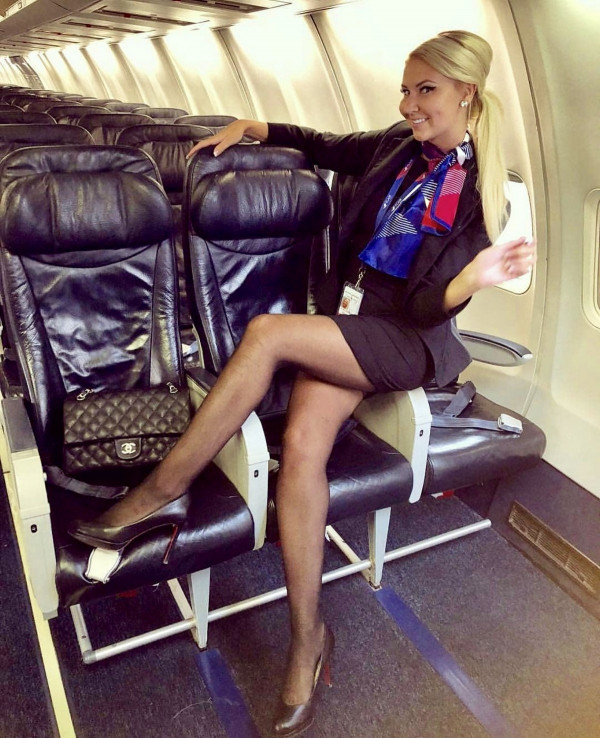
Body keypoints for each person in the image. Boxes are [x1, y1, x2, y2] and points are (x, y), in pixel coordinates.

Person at [69, 29, 536, 737]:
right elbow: (323, 143)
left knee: (268, 335)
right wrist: (253, 126)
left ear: (466, 92)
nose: (409, 104)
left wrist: (470, 280)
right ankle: (307, 640)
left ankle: (159, 493)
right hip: (350, 319)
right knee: (302, 452)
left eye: (426, 90)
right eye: (405, 89)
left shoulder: (478, 193)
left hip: (402, 338)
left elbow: (421, 309)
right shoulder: (398, 146)